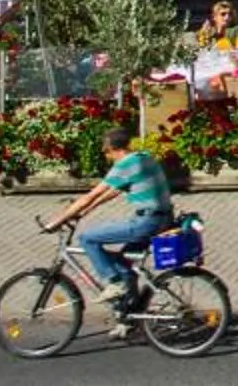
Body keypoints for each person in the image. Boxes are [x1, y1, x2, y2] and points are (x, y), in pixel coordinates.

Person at [45, 128, 176, 337]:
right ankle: (128, 318)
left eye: (105, 152)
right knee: (126, 264)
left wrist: (56, 221)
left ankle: (114, 283)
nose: (106, 156)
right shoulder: (142, 158)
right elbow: (113, 191)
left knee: (87, 238)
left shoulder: (125, 165)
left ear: (113, 149)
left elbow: (92, 194)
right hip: (162, 218)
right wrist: (85, 211)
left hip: (147, 221)